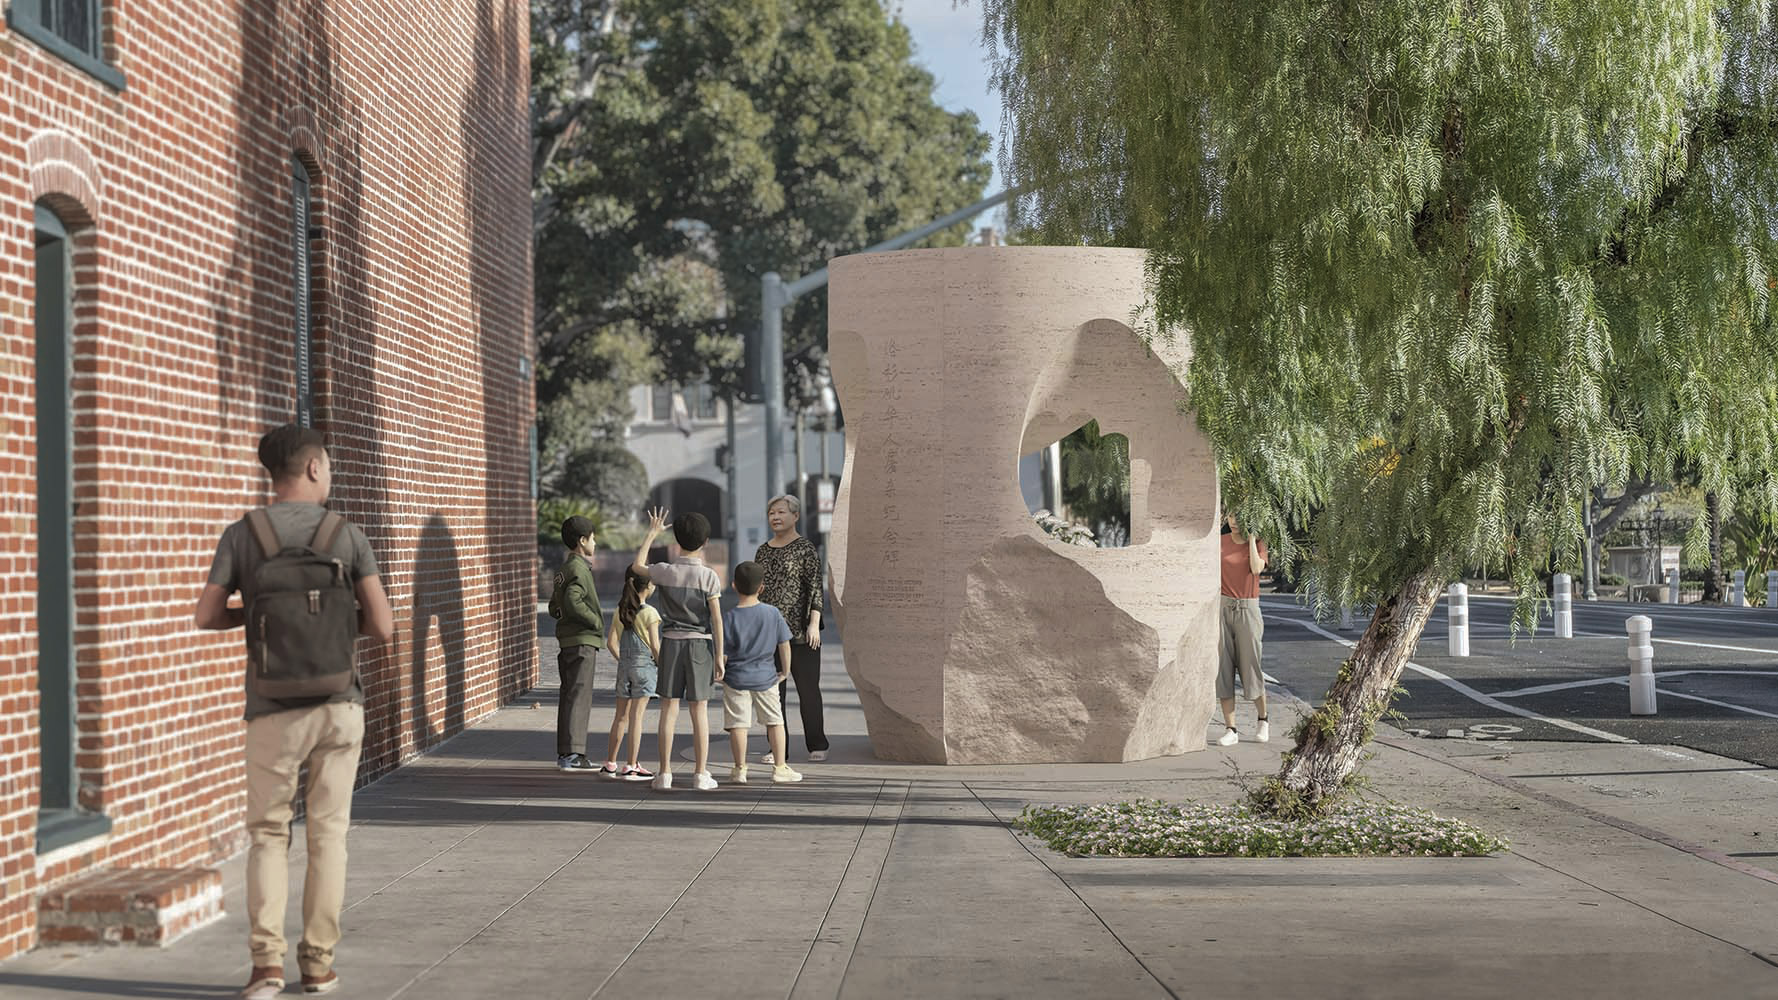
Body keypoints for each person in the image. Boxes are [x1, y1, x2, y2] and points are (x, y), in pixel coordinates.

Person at [194, 424, 393, 1000]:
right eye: (327, 465)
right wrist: (333, 621)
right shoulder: (345, 534)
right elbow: (383, 625)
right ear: (311, 468)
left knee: (266, 836)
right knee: (328, 837)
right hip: (337, 705)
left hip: (271, 706)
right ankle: (318, 966)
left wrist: (254, 610)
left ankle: (264, 969)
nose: (329, 473)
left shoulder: (243, 535)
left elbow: (205, 615)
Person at [633, 507, 724, 791]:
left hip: (671, 644)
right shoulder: (709, 577)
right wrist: (720, 655)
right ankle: (700, 774)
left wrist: (651, 533)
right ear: (705, 541)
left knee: (668, 710)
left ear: (676, 539)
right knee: (700, 712)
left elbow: (637, 566)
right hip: (700, 647)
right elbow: (717, 621)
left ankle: (665, 774)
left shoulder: (664, 572)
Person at [753, 494, 829, 763]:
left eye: (781, 512)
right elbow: (756, 591)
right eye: (772, 512)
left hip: (801, 634)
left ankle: (817, 744)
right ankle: (777, 749)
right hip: (769, 635)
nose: (775, 516)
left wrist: (814, 624)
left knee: (809, 691)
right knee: (773, 694)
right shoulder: (762, 551)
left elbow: (815, 588)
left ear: (795, 516)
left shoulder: (805, 548)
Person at [721, 561, 803, 784]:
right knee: (775, 721)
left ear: (734, 586)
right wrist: (785, 671)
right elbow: (784, 645)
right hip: (766, 677)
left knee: (738, 724)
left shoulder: (728, 617)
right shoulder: (772, 613)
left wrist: (718, 672)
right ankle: (780, 767)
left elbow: (722, 652)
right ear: (762, 588)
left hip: (735, 678)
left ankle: (740, 769)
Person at [548, 516, 604, 772]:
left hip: (568, 640)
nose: (595, 542)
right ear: (582, 541)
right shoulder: (580, 569)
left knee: (569, 695)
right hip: (582, 641)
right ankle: (574, 755)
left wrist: (563, 617)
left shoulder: (563, 569)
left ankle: (566, 753)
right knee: (580, 697)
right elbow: (573, 600)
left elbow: (554, 607)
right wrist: (594, 622)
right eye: (592, 537)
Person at [601, 565, 660, 780]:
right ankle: (632, 765)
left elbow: (610, 643)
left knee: (620, 717)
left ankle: (610, 763)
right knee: (637, 718)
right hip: (644, 667)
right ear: (648, 586)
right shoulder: (650, 613)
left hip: (624, 667)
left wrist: (624, 661)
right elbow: (655, 646)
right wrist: (661, 665)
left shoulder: (620, 610)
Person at [1216, 512, 1269, 746]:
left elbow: (1257, 569)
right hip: (1222, 608)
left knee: (1251, 666)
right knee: (1223, 669)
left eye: (1239, 516)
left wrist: (1251, 539)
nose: (1234, 520)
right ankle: (1231, 729)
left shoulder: (1258, 544)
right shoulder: (1219, 543)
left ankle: (1263, 720)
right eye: (1230, 516)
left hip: (1248, 609)